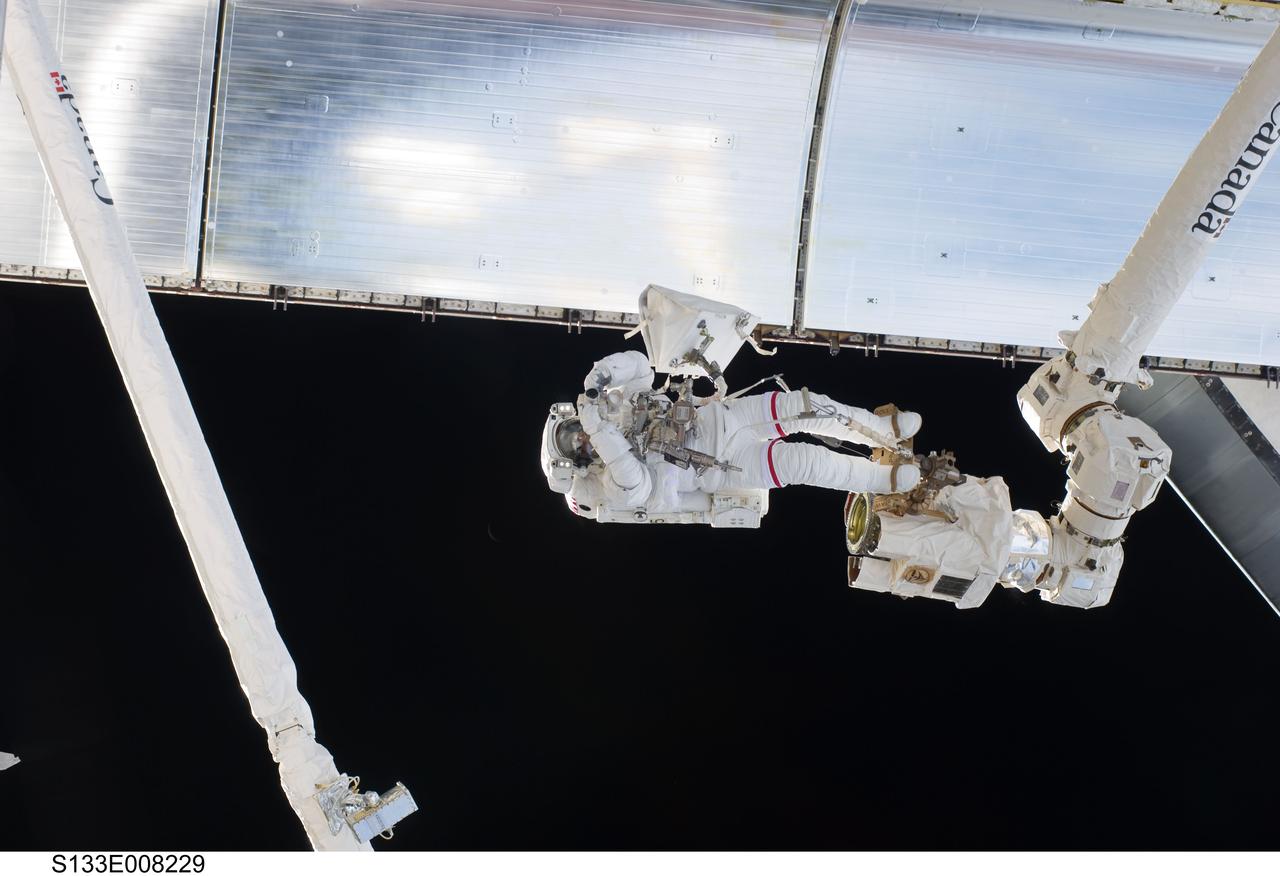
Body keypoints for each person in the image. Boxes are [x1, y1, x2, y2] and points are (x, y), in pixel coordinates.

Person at [542, 351, 922, 522]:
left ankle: (883, 431)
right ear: (580, 463)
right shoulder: (613, 482)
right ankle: (883, 480)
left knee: (807, 405)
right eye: (579, 445)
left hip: (721, 419)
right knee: (810, 462)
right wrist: (599, 430)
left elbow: (642, 367)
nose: (584, 437)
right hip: (727, 467)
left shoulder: (617, 410)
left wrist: (602, 375)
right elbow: (635, 480)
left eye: (576, 430)